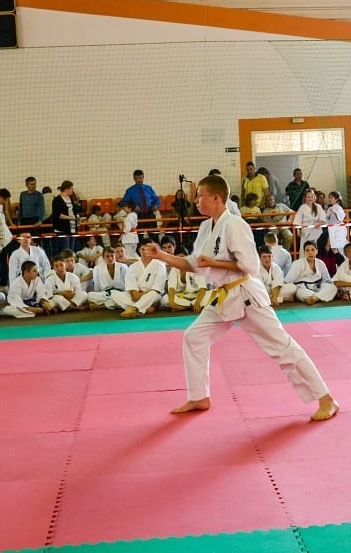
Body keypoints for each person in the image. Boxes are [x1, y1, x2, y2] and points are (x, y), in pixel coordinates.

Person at [145, 174, 338, 420]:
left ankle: (326, 399)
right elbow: (193, 263)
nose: (196, 200)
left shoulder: (235, 225)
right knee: (194, 337)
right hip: (223, 297)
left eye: (200, 195)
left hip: (246, 295)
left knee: (282, 347)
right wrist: (162, 255)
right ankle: (198, 396)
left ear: (215, 198)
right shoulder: (207, 226)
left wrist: (212, 262)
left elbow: (249, 264)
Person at [111, 241, 167, 318]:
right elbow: (134, 294)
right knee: (115, 294)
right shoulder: (133, 267)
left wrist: (141, 295)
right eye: (143, 249)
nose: (145, 252)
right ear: (139, 250)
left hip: (151, 296)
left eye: (148, 249)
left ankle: (133, 308)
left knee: (153, 294)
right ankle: (145, 308)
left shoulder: (160, 266)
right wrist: (137, 295)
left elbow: (157, 289)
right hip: (136, 295)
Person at [293, 188, 325, 254]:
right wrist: (298, 231)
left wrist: (319, 223)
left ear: (314, 197)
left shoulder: (318, 206)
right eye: (308, 197)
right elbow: (298, 220)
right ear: (305, 198)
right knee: (305, 249)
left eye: (311, 197)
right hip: (306, 231)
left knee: (317, 248)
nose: (310, 199)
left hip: (317, 230)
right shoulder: (302, 207)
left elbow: (323, 218)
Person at [51, 181, 80, 253]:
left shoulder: (70, 199)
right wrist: (71, 218)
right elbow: (58, 215)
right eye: (71, 189)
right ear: (67, 189)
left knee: (71, 251)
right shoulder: (57, 200)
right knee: (65, 251)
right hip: (62, 228)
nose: (72, 190)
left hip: (72, 228)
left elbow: (73, 211)